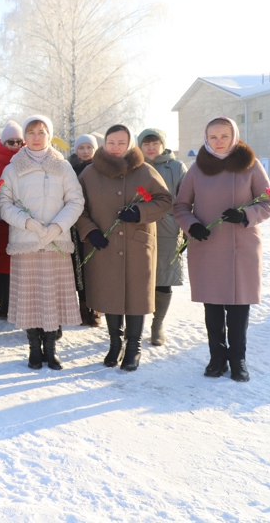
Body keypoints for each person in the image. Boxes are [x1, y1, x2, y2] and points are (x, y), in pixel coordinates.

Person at [173, 117, 270, 382]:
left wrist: (244, 214)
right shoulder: (196, 169)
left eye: (224, 136)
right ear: (206, 138)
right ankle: (217, 357)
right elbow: (181, 206)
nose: (219, 142)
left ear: (234, 136)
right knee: (213, 306)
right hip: (207, 247)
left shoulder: (250, 166)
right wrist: (192, 226)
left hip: (241, 248)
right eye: (213, 137)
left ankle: (238, 358)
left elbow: (268, 202)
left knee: (239, 306)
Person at [75, 125, 171, 371]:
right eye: (111, 142)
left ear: (129, 144)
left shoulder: (145, 171)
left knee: (136, 296)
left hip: (137, 245)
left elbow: (164, 200)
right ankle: (115, 345)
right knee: (110, 294)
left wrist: (140, 211)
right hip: (104, 246)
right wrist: (90, 231)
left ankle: (133, 348)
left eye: (121, 142)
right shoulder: (89, 173)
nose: (116, 147)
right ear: (104, 144)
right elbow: (77, 206)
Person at [0, 116, 84, 369]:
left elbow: (75, 201)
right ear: (25, 136)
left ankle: (51, 348)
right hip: (26, 242)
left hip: (56, 243)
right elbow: (4, 204)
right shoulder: (12, 168)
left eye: (42, 132)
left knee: (52, 297)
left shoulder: (63, 166)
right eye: (31, 132)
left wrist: (58, 226)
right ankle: (34, 349)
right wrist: (28, 223)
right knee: (31, 298)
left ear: (49, 135)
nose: (36, 136)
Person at [137, 128, 188, 346]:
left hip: (168, 228)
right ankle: (134, 327)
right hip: (138, 226)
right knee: (137, 278)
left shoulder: (176, 167)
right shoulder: (134, 166)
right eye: (146, 144)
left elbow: (186, 198)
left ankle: (157, 325)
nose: (151, 148)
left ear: (162, 144)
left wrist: (186, 228)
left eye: (155, 143)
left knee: (164, 279)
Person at [0, 121, 24, 320]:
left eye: (19, 142)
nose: (16, 146)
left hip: (23, 222)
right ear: (3, 142)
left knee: (22, 263)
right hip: (1, 223)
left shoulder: (27, 160)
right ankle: (5, 305)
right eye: (11, 142)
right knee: (1, 264)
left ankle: (21, 305)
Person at [70, 134, 102, 327]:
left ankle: (96, 307)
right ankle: (83, 305)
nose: (85, 151)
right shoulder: (69, 169)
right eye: (81, 147)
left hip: (97, 221)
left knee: (97, 266)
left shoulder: (101, 169)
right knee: (80, 266)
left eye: (89, 147)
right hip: (75, 223)